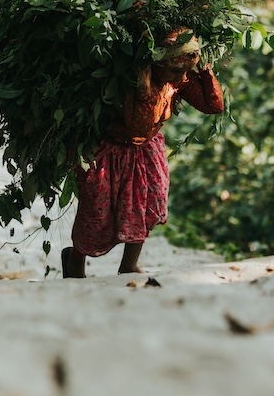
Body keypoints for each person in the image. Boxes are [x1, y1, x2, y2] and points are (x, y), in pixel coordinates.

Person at [61, 28, 225, 278]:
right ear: (158, 62)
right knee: (96, 211)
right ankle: (75, 259)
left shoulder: (176, 77)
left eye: (185, 71)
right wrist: (144, 92)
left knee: (145, 204)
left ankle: (129, 264)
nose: (182, 78)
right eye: (175, 71)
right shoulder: (133, 79)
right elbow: (138, 126)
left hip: (146, 151)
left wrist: (203, 70)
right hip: (109, 151)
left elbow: (214, 106)